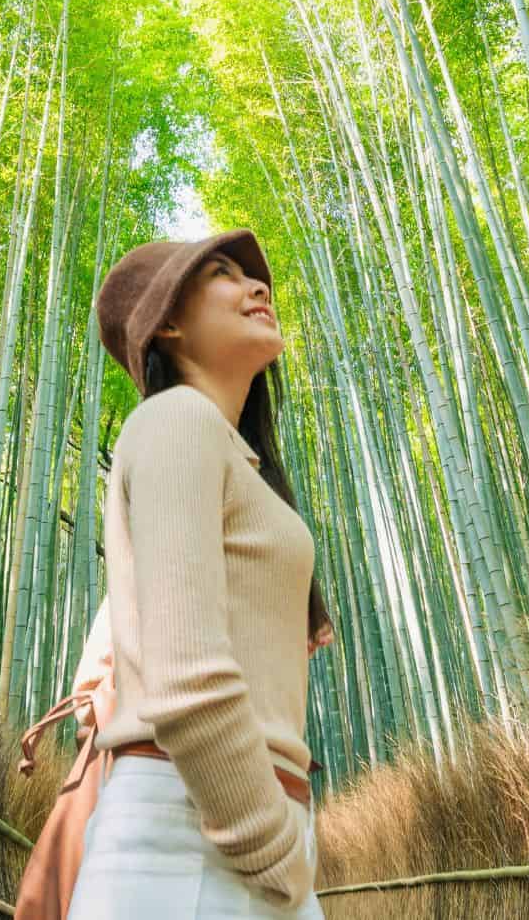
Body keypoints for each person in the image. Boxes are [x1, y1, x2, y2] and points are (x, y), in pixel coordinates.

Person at [69, 228, 335, 919]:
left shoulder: (227, 451)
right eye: (223, 273)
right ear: (170, 324)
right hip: (193, 841)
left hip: (222, 832)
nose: (257, 287)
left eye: (255, 277)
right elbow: (186, 676)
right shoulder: (176, 419)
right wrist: (278, 848)